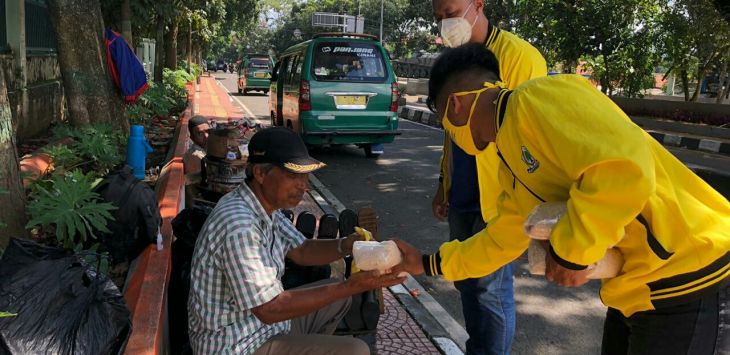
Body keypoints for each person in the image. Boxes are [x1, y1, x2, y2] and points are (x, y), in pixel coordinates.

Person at [394, 43, 730, 355]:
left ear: (455, 105)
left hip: (685, 270)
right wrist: (426, 263)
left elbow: (622, 169)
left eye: (443, 122)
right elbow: (502, 239)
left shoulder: (538, 98)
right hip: (636, 287)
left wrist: (571, 255)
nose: (450, 135)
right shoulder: (509, 158)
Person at [187, 127, 406, 354]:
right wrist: (351, 285)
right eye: (293, 175)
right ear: (261, 174)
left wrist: (347, 245)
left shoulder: (264, 207)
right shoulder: (239, 225)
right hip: (237, 344)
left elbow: (302, 250)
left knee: (338, 296)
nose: (304, 185)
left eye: (305, 176)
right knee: (356, 350)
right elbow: (269, 309)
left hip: (266, 328)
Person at [431, 0, 547, 353]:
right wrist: (443, 183)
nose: (446, 24)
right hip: (462, 190)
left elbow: (531, 132)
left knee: (491, 288)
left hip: (498, 194)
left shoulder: (519, 57)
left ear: (477, 5)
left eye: (451, 13)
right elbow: (450, 132)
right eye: (439, 17)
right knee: (466, 279)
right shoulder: (455, 58)